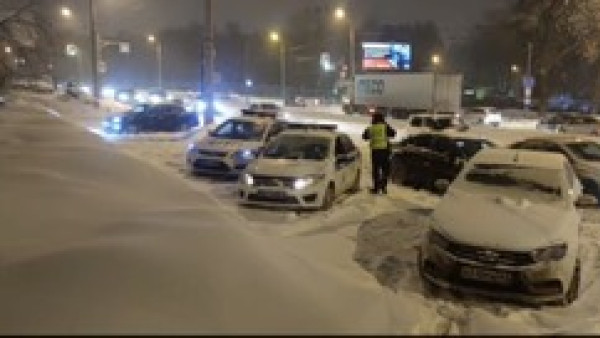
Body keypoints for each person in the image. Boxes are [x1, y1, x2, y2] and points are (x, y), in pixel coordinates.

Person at [362, 112, 397, 194]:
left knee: (376, 170)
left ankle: (376, 188)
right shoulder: (385, 127)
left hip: (375, 152)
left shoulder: (371, 128)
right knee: (385, 170)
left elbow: (364, 137)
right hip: (385, 151)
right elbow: (393, 134)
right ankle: (384, 187)